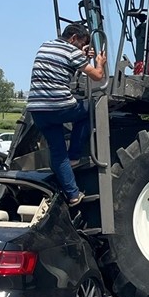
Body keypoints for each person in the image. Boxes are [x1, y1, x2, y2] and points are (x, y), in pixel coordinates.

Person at [26, 23, 106, 205]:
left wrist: (82, 55)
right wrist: (99, 62)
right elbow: (97, 76)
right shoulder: (72, 52)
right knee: (92, 108)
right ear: (73, 38)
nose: (82, 47)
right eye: (82, 43)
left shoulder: (45, 46)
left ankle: (73, 195)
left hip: (37, 110)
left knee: (58, 152)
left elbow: (62, 65)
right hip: (60, 107)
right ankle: (75, 155)